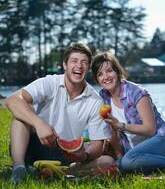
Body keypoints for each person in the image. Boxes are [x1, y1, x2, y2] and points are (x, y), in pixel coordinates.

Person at [5, 42, 112, 184]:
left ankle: (56, 171)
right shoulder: (50, 82)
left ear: (88, 67)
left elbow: (97, 146)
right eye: (74, 61)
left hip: (66, 155)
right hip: (32, 145)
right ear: (65, 65)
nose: (79, 66)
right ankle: (19, 168)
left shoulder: (95, 100)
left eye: (84, 62)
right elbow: (12, 100)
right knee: (21, 114)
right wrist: (39, 123)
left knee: (107, 160)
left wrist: (84, 155)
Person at [91, 52, 165, 175]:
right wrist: (119, 157)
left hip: (164, 140)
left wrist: (121, 126)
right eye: (100, 74)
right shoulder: (103, 97)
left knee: (128, 162)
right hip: (137, 152)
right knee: (123, 163)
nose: (105, 76)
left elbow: (150, 129)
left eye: (109, 71)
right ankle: (138, 165)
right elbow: (113, 132)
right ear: (97, 79)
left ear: (117, 71)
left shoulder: (136, 92)